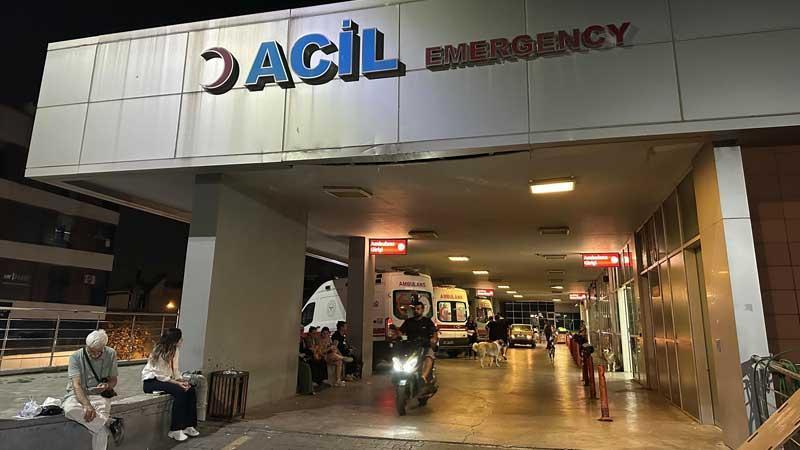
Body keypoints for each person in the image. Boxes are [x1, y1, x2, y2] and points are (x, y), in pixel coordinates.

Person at [63, 329, 124, 450]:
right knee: (70, 409)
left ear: (104, 347)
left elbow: (113, 380)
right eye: (91, 351)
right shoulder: (75, 357)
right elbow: (76, 385)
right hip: (78, 394)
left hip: (99, 395)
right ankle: (108, 422)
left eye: (98, 352)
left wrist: (107, 386)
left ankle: (104, 423)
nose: (94, 355)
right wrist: (86, 404)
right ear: (87, 346)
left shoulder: (111, 353)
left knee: (99, 429)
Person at [141, 328, 199, 442]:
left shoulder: (175, 350)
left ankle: (188, 425)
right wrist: (178, 384)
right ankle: (175, 429)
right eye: (180, 339)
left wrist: (181, 380)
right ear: (175, 340)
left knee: (190, 390)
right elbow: (160, 375)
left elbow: (175, 369)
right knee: (180, 391)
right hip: (152, 382)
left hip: (165, 380)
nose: (182, 340)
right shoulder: (160, 351)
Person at [397, 295, 438, 382]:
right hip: (411, 346)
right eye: (414, 309)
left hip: (425, 346)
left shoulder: (427, 321)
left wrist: (433, 339)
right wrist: (398, 335)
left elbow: (434, 332)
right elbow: (401, 331)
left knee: (429, 356)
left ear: (422, 310)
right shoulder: (408, 321)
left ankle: (423, 377)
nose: (416, 311)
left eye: (418, 309)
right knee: (399, 358)